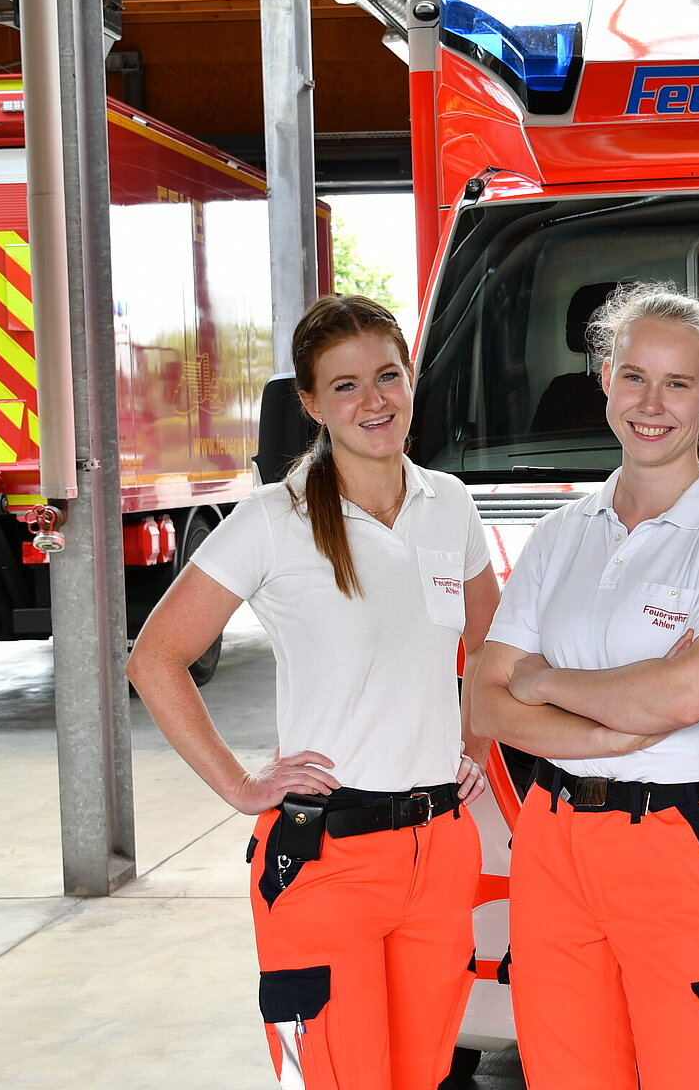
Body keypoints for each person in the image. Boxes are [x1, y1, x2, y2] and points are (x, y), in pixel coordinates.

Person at [126, 294, 495, 1090]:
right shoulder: (273, 520)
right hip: (325, 856)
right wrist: (240, 784)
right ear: (309, 403)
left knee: (426, 1076)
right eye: (346, 386)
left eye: (387, 376)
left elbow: (492, 653)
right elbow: (155, 658)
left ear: (410, 377)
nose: (375, 401)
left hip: (439, 849)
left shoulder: (449, 502)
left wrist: (473, 747)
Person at [468, 283, 699, 1090]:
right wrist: (611, 728)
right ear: (604, 378)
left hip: (674, 841)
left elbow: (686, 698)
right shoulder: (560, 532)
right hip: (554, 837)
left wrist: (544, 681)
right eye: (635, 376)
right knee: (566, 1070)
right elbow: (484, 700)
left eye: (679, 384)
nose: (653, 403)